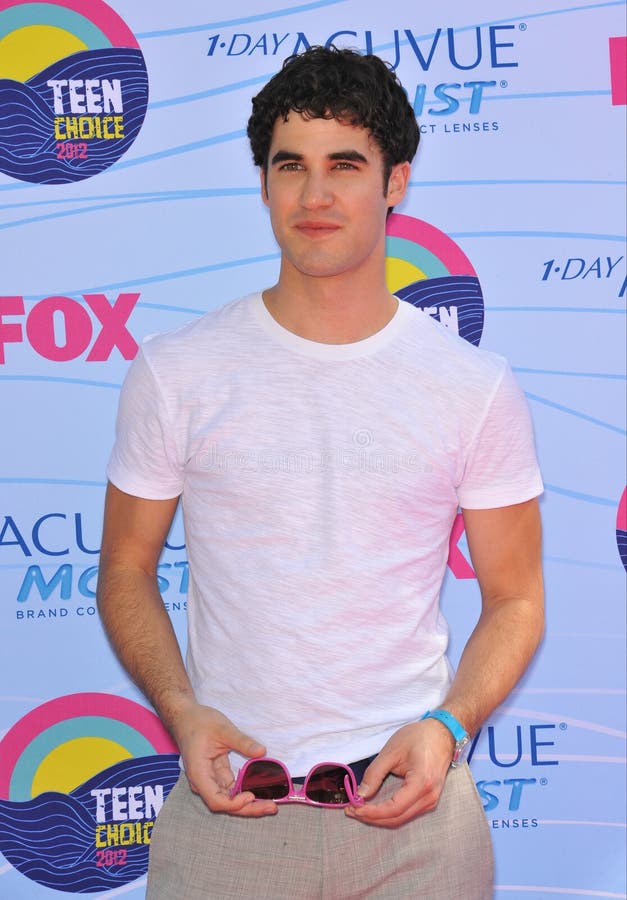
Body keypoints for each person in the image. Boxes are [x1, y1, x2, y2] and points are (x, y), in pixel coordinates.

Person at [97, 45, 544, 899]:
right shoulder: (176, 371)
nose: (314, 196)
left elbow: (516, 598)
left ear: (395, 183)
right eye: (289, 166)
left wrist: (448, 725)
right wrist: (182, 712)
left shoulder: (473, 387)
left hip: (418, 820)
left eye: (345, 164)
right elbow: (123, 569)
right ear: (262, 183)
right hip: (226, 812)